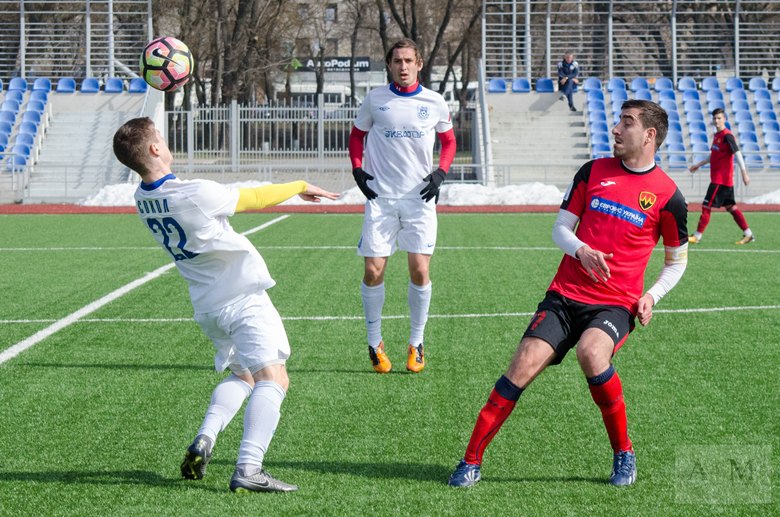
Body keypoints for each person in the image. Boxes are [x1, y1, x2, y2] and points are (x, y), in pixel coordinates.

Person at [448, 99, 688, 488]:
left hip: (614, 304)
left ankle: (624, 453)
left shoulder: (668, 196)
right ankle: (470, 460)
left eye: (626, 123)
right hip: (564, 295)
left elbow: (677, 261)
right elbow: (561, 228)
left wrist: (652, 296)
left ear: (649, 135)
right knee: (521, 366)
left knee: (592, 353)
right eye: (617, 121)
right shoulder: (592, 171)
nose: (615, 129)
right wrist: (580, 249)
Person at [112, 117, 339, 493]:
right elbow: (254, 198)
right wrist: (299, 185)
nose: (166, 144)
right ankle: (249, 468)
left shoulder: (143, 199)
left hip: (208, 308)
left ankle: (205, 437)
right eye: (161, 139)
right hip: (242, 300)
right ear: (154, 149)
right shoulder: (193, 194)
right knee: (274, 378)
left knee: (243, 377)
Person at [349, 38, 456, 374]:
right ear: (390, 65)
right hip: (380, 199)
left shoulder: (434, 101)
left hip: (419, 200)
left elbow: (449, 141)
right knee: (372, 271)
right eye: (397, 61)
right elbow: (356, 135)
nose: (403, 67)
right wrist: (357, 169)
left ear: (419, 63)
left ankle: (416, 342)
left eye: (409, 60)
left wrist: (441, 172)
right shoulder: (375, 99)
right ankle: (374, 342)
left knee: (420, 270)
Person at [688, 108, 754, 245]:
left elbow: (738, 153)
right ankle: (748, 234)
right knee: (731, 207)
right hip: (722, 180)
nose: (716, 121)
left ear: (724, 119)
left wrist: (744, 173)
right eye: (715, 118)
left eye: (719, 118)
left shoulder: (727, 136)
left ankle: (697, 236)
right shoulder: (717, 136)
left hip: (721, 180)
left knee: (706, 206)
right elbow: (714, 155)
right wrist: (698, 165)